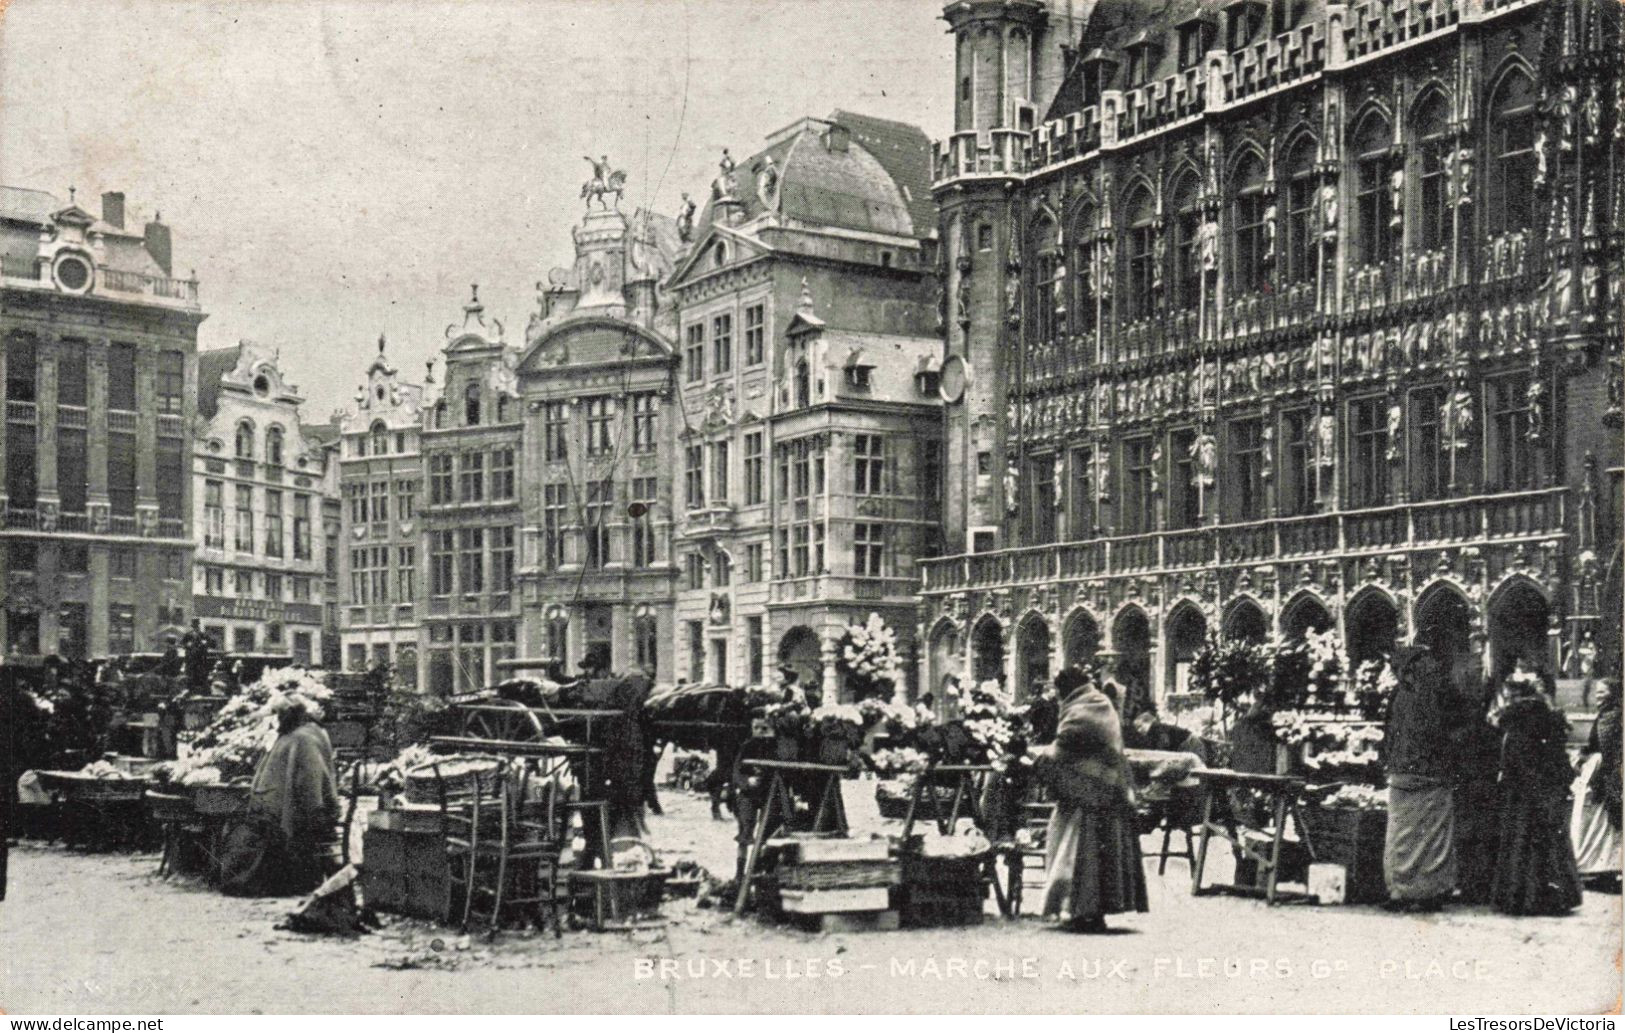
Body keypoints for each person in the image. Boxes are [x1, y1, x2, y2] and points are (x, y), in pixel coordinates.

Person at [1031, 665, 1147, 933]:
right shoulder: (1098, 702)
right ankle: (1085, 910)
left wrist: (1037, 759)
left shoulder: (1084, 708)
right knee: (1095, 855)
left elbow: (1066, 746)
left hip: (1091, 794)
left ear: (1066, 689)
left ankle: (1084, 910)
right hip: (1106, 788)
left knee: (1083, 854)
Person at [220, 694, 341, 896]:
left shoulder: (303, 737)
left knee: (256, 834)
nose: (277, 721)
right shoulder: (298, 734)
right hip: (289, 806)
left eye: (279, 715)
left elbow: (309, 784)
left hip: (308, 812)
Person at [1489, 662, 1583, 915]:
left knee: (1521, 841)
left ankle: (1520, 897)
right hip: (1545, 790)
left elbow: (1511, 760)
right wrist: (1562, 780)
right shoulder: (1549, 718)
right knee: (1549, 843)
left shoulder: (1512, 723)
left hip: (1520, 792)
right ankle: (1551, 896)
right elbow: (1556, 757)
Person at [1381, 645, 1465, 911]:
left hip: (1402, 772)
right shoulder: (1437, 691)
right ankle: (1430, 890)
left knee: (1401, 833)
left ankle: (1399, 888)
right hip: (1432, 772)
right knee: (1434, 834)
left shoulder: (1399, 695)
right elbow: (1452, 728)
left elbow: (1388, 732)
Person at [1570, 677, 1621, 888]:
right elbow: (1595, 743)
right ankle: (1597, 869)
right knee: (1596, 823)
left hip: (1604, 773)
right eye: (1597, 693)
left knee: (1603, 824)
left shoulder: (1614, 716)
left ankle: (1603, 869)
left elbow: (1609, 750)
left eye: (1603, 692)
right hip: (1597, 770)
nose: (1598, 697)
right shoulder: (1605, 716)